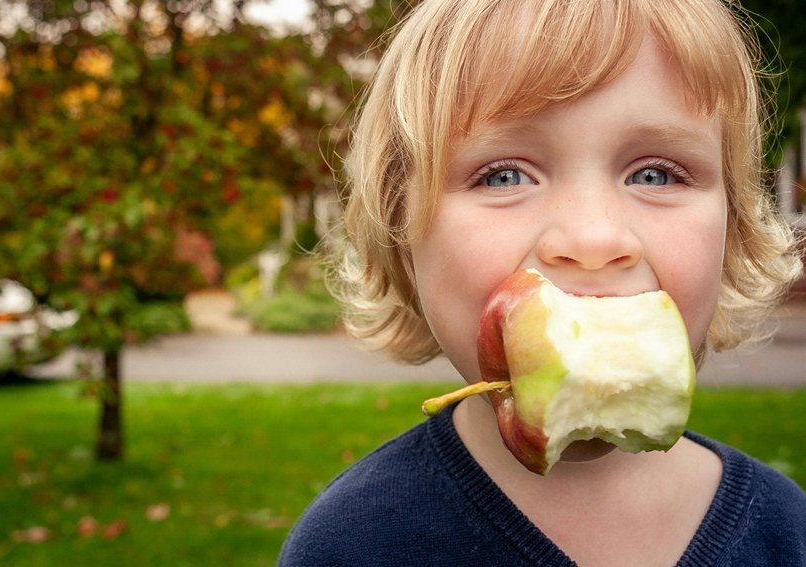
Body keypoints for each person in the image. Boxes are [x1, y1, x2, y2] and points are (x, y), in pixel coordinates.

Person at [278, 0, 806, 565]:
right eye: (504, 175)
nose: (592, 238)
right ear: (403, 238)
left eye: (654, 174)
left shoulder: (786, 531)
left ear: (734, 227)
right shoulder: (353, 545)